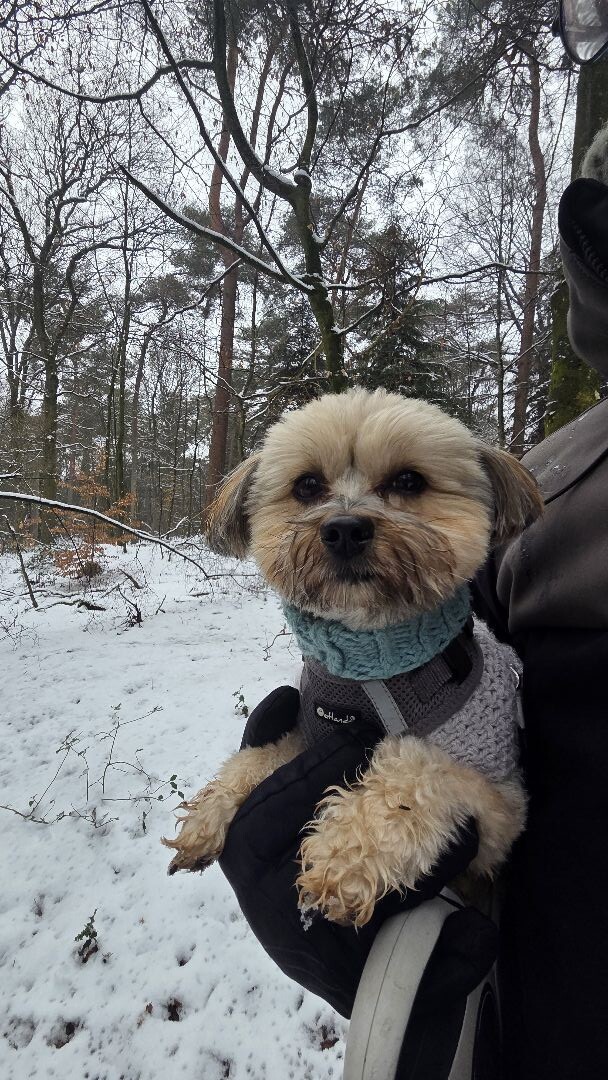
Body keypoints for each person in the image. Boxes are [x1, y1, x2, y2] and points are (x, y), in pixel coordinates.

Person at [219, 7, 608, 1076]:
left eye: (398, 486)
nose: (348, 519)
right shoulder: (563, 470)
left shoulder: (525, 486)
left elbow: (477, 769)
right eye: (310, 492)